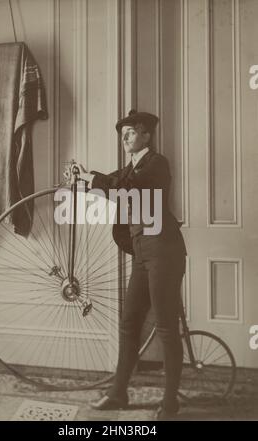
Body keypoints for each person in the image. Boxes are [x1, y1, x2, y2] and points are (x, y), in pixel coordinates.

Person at [73, 109, 187, 420]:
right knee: (128, 323)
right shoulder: (130, 168)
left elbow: (127, 188)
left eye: (132, 131)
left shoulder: (156, 164)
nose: (124, 136)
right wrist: (84, 177)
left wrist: (97, 179)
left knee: (165, 328)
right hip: (141, 251)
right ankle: (118, 393)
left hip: (164, 251)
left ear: (147, 135)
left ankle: (170, 403)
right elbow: (113, 184)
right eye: (122, 132)